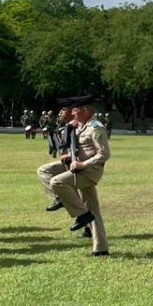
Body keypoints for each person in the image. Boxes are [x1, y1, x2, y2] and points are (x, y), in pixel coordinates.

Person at [49, 97, 111, 256]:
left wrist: (83, 165)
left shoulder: (96, 127)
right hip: (79, 169)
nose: (73, 114)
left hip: (89, 171)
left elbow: (104, 154)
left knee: (57, 182)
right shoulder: (79, 125)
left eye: (75, 111)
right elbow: (77, 146)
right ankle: (101, 248)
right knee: (93, 209)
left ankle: (81, 214)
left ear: (85, 111)